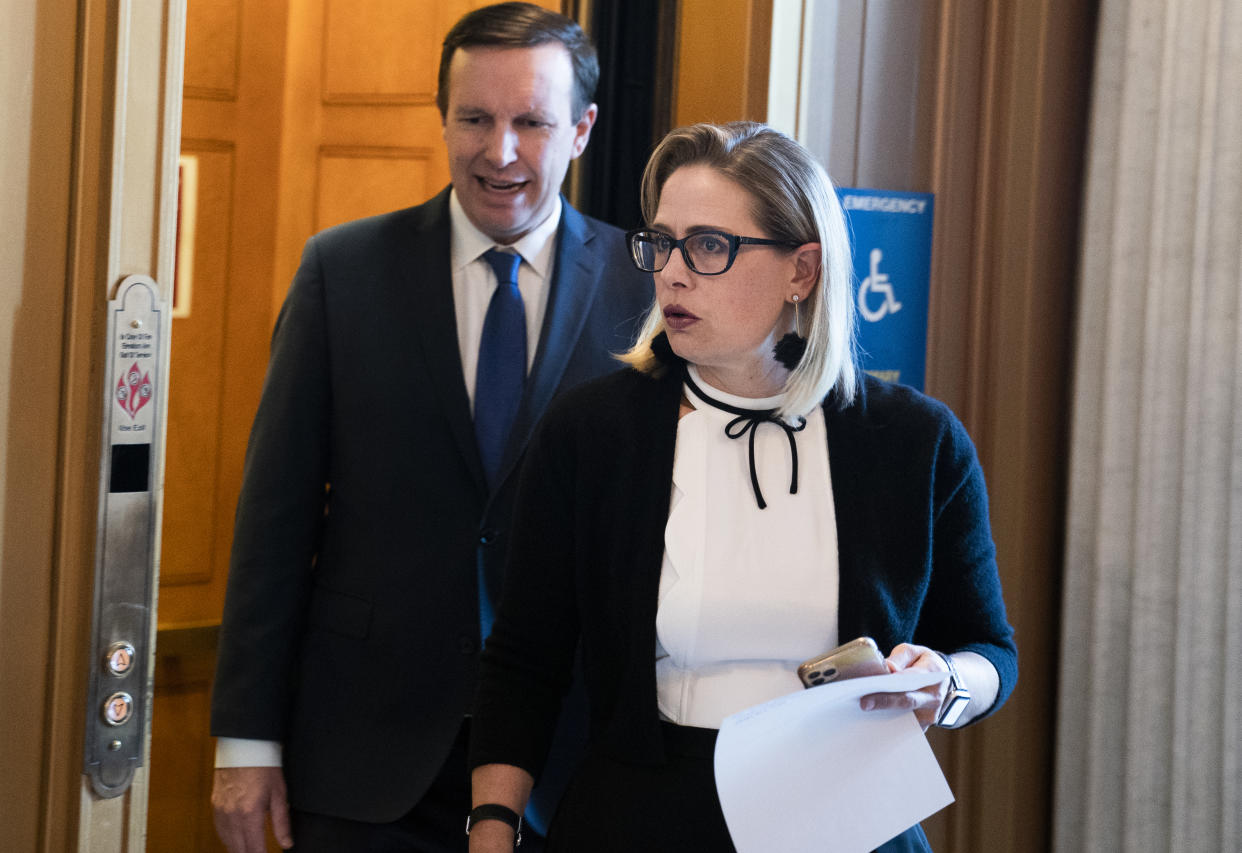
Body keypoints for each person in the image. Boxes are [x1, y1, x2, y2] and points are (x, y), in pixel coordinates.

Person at [466, 122, 1017, 852]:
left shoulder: (916, 442)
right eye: (662, 242)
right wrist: (492, 828)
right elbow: (523, 661)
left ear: (802, 269)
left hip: (846, 820)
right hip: (642, 818)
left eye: (710, 246)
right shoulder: (593, 432)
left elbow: (990, 647)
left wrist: (946, 680)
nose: (672, 274)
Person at [208, 4, 651, 852]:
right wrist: (246, 739)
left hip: (572, 766)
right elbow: (274, 518)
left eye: (531, 121)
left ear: (583, 128)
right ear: (442, 117)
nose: (501, 151)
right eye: (475, 119)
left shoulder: (648, 294)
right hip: (365, 763)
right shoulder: (342, 272)